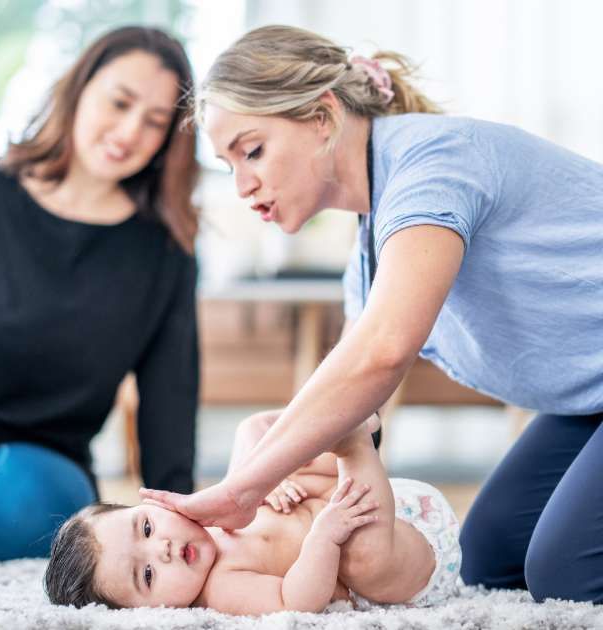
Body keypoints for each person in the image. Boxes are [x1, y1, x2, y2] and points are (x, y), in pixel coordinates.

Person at [139, 24, 603, 604]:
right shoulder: (370, 251)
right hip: (590, 397)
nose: (242, 185)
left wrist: (245, 489)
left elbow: (382, 353)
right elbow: (360, 413)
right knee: (490, 558)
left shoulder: (433, 165)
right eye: (228, 164)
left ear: (323, 116)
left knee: (569, 573)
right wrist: (268, 453)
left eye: (252, 151)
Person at [0, 26, 202, 560]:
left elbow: (170, 399)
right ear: (79, 90)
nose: (129, 132)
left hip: (45, 470)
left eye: (155, 121)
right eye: (119, 103)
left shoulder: (164, 252)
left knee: (25, 510)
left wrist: (180, 516)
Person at [47, 416, 463, 614]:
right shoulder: (221, 588)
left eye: (147, 528)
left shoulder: (207, 516)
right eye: (149, 575)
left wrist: (267, 479)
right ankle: (353, 443)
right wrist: (324, 538)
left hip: (388, 500)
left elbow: (254, 439)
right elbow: (296, 601)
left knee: (251, 432)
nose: (164, 549)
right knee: (360, 558)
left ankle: (345, 419)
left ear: (153, 505)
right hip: (406, 561)